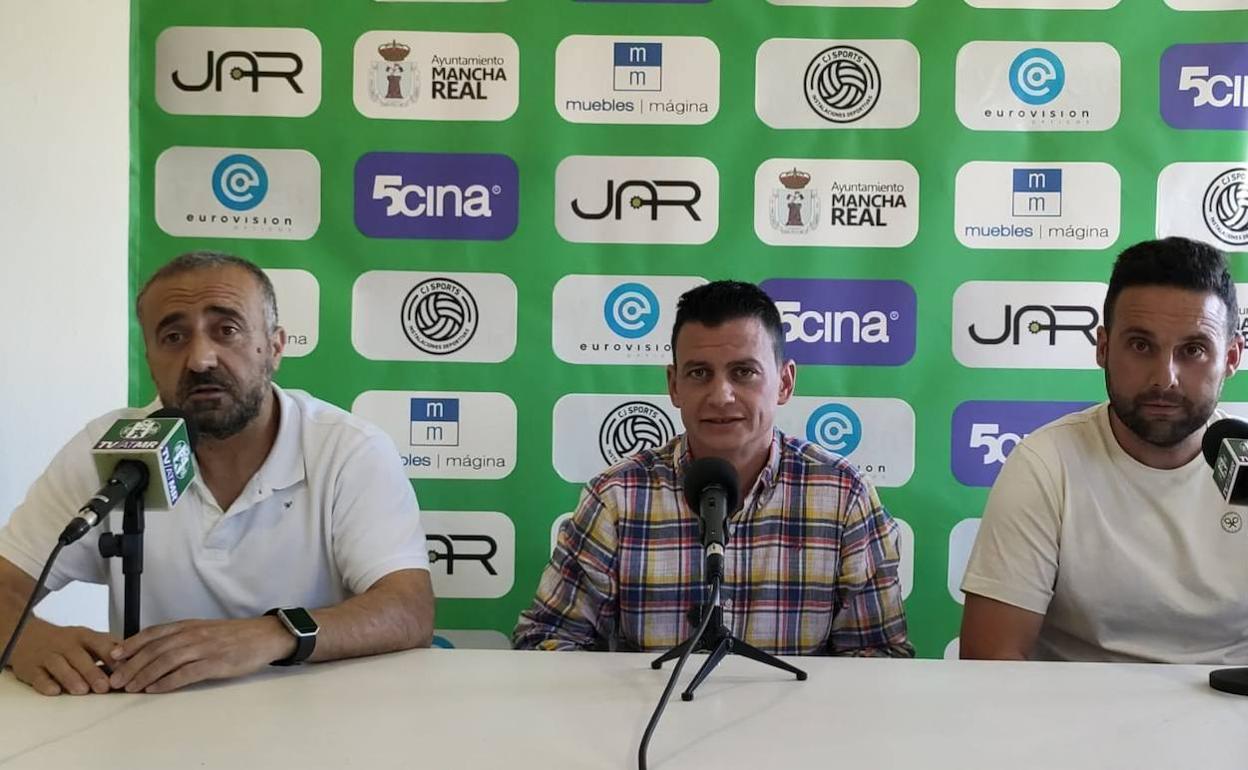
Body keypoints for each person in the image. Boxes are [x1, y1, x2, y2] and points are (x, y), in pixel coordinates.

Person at [0, 251, 434, 695]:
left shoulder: (347, 449)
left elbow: (407, 608)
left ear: (275, 346)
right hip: (151, 726)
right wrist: (28, 639)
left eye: (227, 330)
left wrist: (272, 634)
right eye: (173, 337)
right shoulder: (110, 446)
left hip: (318, 723)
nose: (200, 359)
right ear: (149, 357)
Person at [514, 280, 912, 656]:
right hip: (650, 723)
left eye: (744, 372)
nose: (721, 396)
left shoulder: (844, 496)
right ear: (674, 385)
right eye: (699, 373)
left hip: (795, 726)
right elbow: (545, 639)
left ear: (785, 383)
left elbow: (879, 656)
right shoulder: (618, 497)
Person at [960, 237, 1248, 663]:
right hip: (1076, 723)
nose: (1165, 377)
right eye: (1140, 345)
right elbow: (991, 659)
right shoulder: (1046, 464)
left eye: (1192, 350)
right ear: (1103, 347)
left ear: (1231, 357)